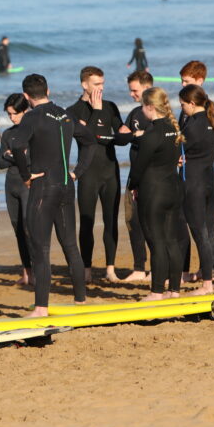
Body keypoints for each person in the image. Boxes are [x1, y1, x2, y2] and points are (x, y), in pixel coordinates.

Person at [10, 74, 92, 317]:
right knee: (70, 245)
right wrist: (78, 172)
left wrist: (25, 174)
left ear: (26, 96)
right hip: (67, 185)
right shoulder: (66, 114)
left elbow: (15, 144)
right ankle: (80, 301)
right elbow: (90, 142)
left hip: (44, 188)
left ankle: (41, 309)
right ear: (48, 90)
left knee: (40, 248)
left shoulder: (32, 117)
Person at [67, 66, 128, 282]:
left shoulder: (111, 107)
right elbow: (88, 138)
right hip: (88, 173)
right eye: (96, 84)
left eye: (102, 84)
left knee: (111, 221)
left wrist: (121, 134)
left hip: (110, 170)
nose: (101, 88)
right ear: (85, 85)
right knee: (87, 221)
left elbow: (121, 136)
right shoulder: (73, 111)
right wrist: (95, 112)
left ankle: (110, 269)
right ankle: (86, 269)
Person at [127, 88, 185, 301]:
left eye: (143, 106)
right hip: (173, 189)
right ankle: (174, 290)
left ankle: (156, 292)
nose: (141, 110)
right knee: (171, 240)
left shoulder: (151, 134)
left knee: (156, 242)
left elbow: (138, 167)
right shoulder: (174, 128)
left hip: (154, 192)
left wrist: (133, 186)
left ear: (150, 107)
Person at [179, 85, 214, 295]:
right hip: (209, 181)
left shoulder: (191, 126)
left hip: (194, 183)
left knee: (200, 234)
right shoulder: (213, 122)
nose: (182, 109)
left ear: (192, 103)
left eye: (182, 105)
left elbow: (176, 149)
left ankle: (206, 285)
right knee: (210, 232)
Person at [0, 93, 33, 286]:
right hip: (11, 185)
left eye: (15, 114)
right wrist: (15, 155)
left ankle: (37, 271)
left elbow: (31, 159)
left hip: (27, 184)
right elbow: (0, 162)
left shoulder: (32, 131)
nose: (12, 118)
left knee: (30, 228)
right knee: (18, 229)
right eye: (9, 114)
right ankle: (26, 272)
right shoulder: (8, 134)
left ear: (25, 111)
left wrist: (12, 154)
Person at [121, 70, 154, 282]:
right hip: (134, 176)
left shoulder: (158, 115)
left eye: (135, 90)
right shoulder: (134, 113)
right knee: (132, 221)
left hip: (152, 178)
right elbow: (120, 136)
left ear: (146, 88)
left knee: (152, 223)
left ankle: (159, 268)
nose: (132, 94)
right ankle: (139, 268)